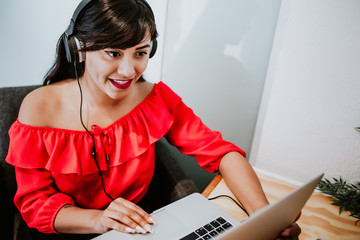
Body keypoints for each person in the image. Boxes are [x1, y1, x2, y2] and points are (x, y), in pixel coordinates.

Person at [6, 0, 301, 239]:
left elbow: (221, 152)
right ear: (80, 48)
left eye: (140, 53)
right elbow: (35, 204)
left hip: (143, 227)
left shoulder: (156, 98)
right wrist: (99, 220)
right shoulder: (38, 108)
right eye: (113, 52)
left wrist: (264, 216)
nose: (127, 70)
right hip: (71, 230)